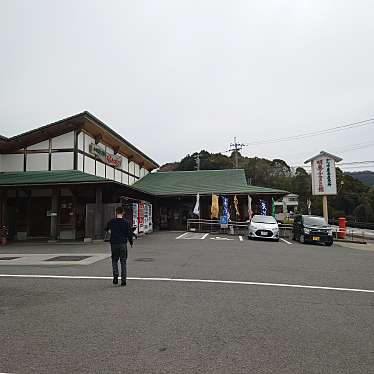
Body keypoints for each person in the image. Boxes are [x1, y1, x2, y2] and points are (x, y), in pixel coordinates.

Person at [105, 206, 133, 286]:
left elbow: (106, 229)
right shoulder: (126, 222)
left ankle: (115, 276)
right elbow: (129, 234)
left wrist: (111, 231)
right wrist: (131, 242)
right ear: (123, 213)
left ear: (116, 212)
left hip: (114, 243)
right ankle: (123, 280)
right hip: (123, 244)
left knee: (114, 260)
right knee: (123, 262)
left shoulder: (111, 222)